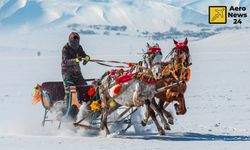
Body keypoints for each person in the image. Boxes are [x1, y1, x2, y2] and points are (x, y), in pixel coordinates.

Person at [61, 32, 90, 118]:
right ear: (70, 40)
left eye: (77, 41)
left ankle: (85, 107)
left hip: (77, 72)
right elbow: (65, 61)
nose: (75, 43)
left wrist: (87, 58)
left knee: (85, 88)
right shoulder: (65, 48)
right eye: (74, 41)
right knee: (70, 90)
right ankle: (66, 109)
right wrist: (76, 60)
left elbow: (83, 55)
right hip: (67, 73)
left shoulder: (79, 47)